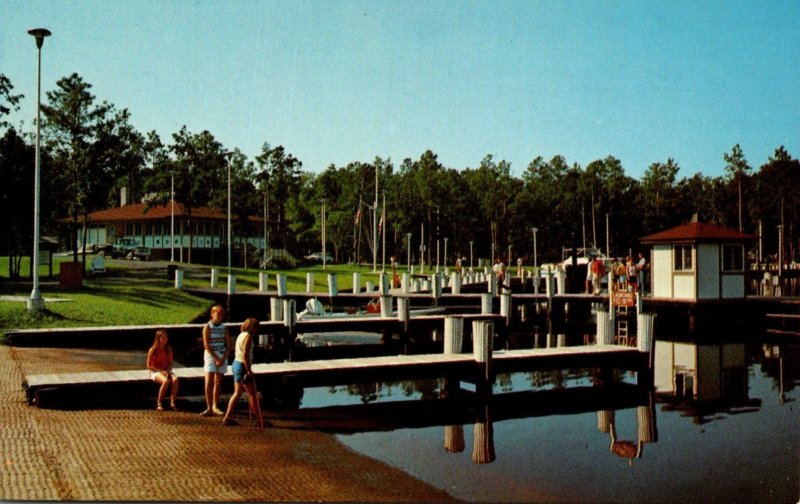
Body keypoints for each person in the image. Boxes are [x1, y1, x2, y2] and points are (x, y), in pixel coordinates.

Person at [222, 317, 264, 428]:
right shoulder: (248, 337)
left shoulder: (241, 335)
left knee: (237, 393)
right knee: (252, 394)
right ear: (253, 328)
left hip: (236, 364)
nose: (256, 331)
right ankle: (260, 419)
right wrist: (249, 370)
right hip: (242, 366)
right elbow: (245, 354)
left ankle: (227, 417)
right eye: (256, 329)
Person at [201, 305, 231, 417]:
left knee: (218, 381)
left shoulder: (224, 327)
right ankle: (208, 407)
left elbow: (228, 345)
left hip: (222, 353)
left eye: (222, 314)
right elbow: (206, 344)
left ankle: (215, 406)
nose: (220, 316)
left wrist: (223, 358)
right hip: (210, 354)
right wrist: (216, 358)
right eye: (218, 313)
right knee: (209, 380)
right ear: (212, 314)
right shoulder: (207, 327)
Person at [146, 329, 179, 411]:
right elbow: (148, 366)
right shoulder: (152, 350)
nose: (165, 340)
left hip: (166, 370)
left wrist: (167, 371)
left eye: (166, 338)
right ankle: (159, 403)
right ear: (158, 339)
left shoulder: (169, 349)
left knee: (175, 380)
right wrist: (161, 371)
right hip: (155, 371)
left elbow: (171, 363)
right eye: (163, 338)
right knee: (165, 381)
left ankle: (172, 403)